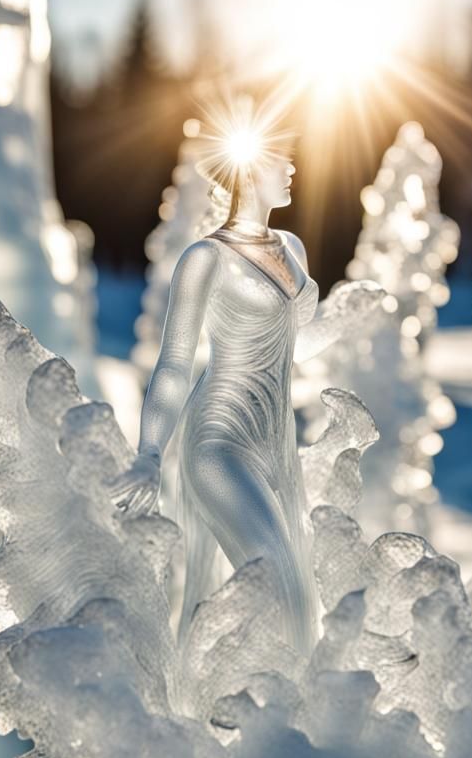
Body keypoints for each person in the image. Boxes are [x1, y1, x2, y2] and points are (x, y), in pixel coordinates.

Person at [113, 99, 382, 654]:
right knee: (278, 584)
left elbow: (289, 349)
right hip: (219, 440)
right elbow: (174, 364)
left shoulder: (292, 249)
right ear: (247, 168)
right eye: (280, 159)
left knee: (299, 598)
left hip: (273, 444)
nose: (290, 169)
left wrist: (342, 320)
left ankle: (259, 713)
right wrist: (148, 452)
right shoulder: (204, 259)